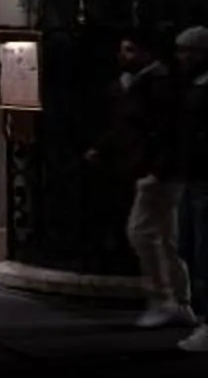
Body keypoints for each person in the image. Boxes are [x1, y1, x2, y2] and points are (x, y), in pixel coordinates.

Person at [88, 33, 190, 330]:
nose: (123, 55)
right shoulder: (135, 84)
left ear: (146, 54)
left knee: (141, 232)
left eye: (130, 50)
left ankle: (165, 299)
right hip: (150, 168)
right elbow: (124, 125)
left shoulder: (158, 85)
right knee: (164, 236)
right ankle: (178, 301)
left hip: (156, 171)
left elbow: (165, 129)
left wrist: (156, 168)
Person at [175, 25, 208, 354]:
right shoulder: (191, 86)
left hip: (201, 179)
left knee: (202, 252)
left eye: (186, 51)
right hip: (192, 177)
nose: (181, 57)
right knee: (189, 248)